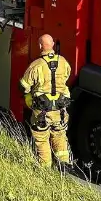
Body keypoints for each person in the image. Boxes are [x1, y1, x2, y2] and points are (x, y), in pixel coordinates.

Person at [19, 34, 72, 167]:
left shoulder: (36, 65)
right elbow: (67, 75)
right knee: (59, 135)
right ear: (53, 44)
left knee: (41, 139)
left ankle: (45, 168)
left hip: (42, 110)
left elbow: (24, 86)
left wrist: (28, 96)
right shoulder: (63, 62)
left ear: (40, 46)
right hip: (60, 109)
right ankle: (64, 164)